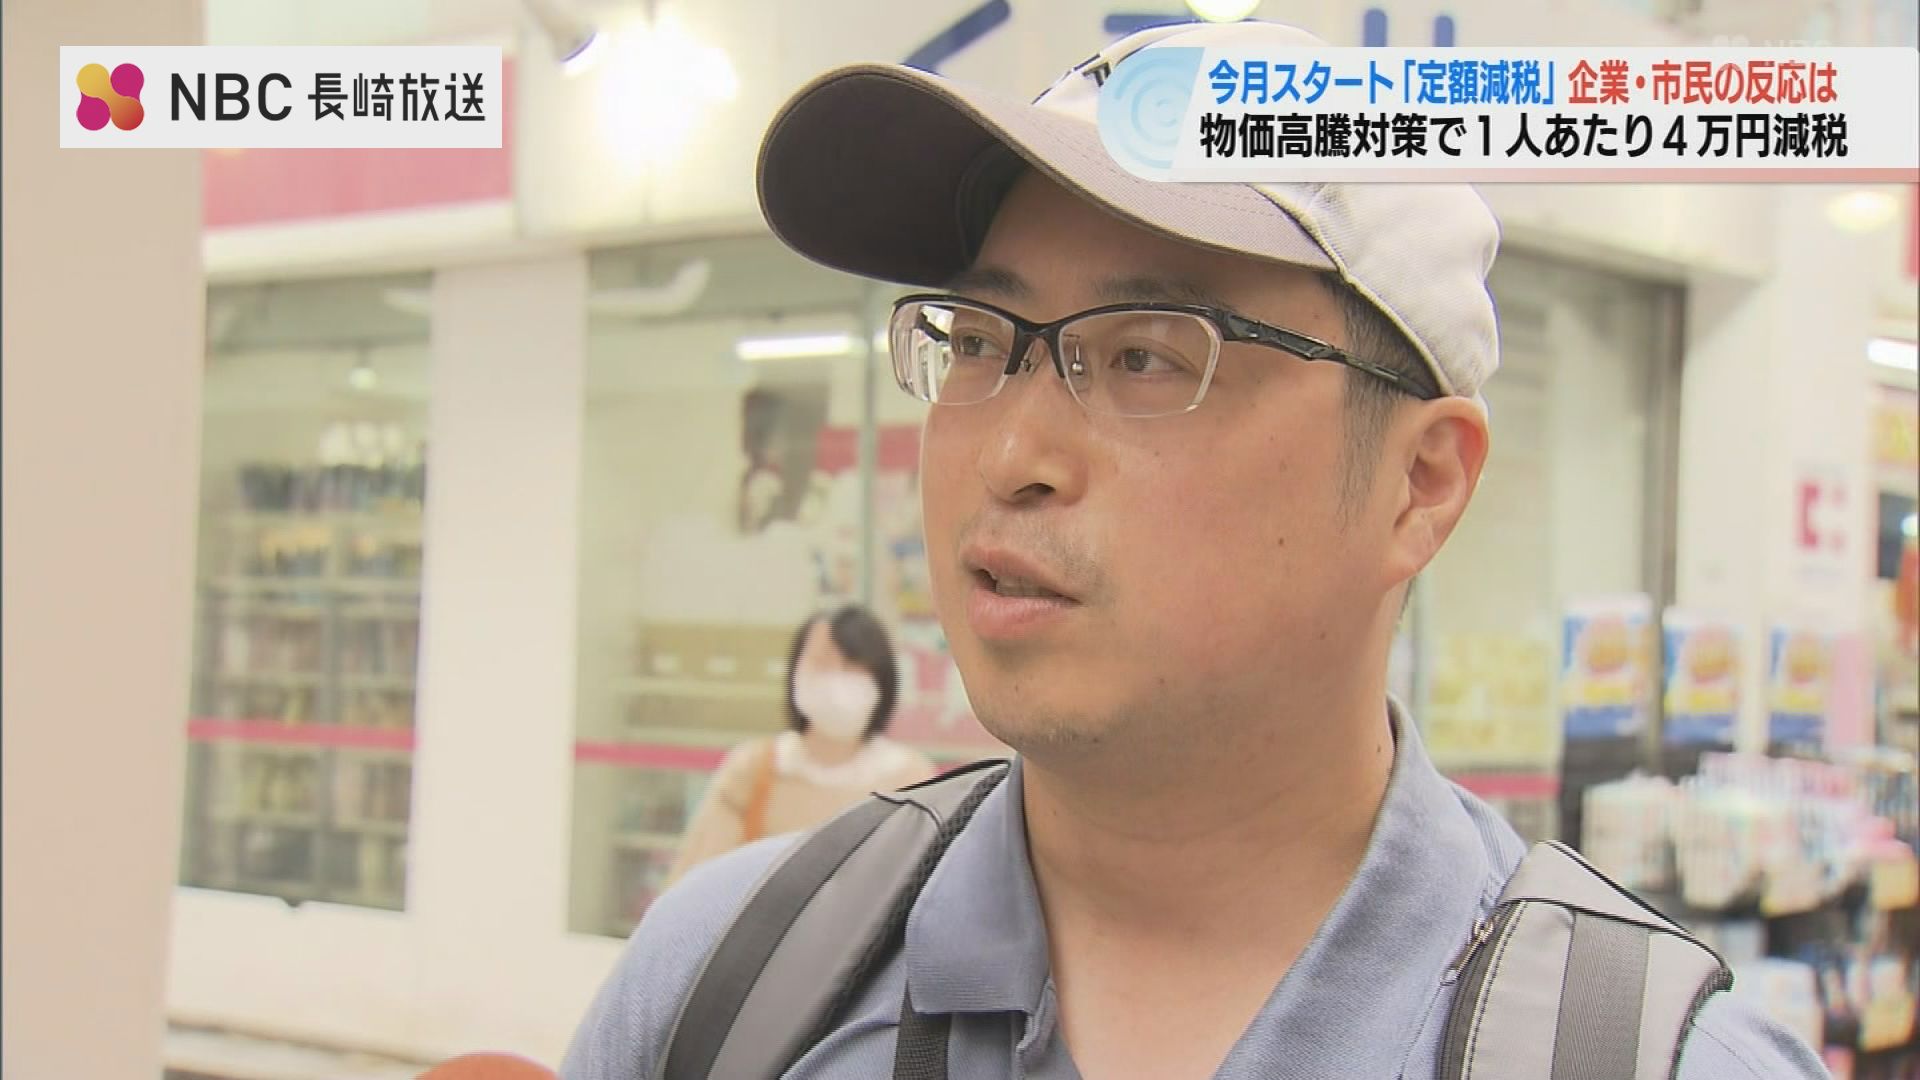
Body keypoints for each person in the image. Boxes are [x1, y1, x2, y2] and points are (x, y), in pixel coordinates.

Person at [564, 19, 1829, 1080]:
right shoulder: (728, 990)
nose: (1012, 454)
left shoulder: (1637, 1057)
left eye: (1147, 355)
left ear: (1420, 484)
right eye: (982, 340)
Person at [663, 604, 934, 885]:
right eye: (822, 661)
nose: (836, 679)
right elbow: (695, 882)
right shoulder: (754, 767)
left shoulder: (910, 778)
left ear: (882, 681)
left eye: (852, 665)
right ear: (795, 670)